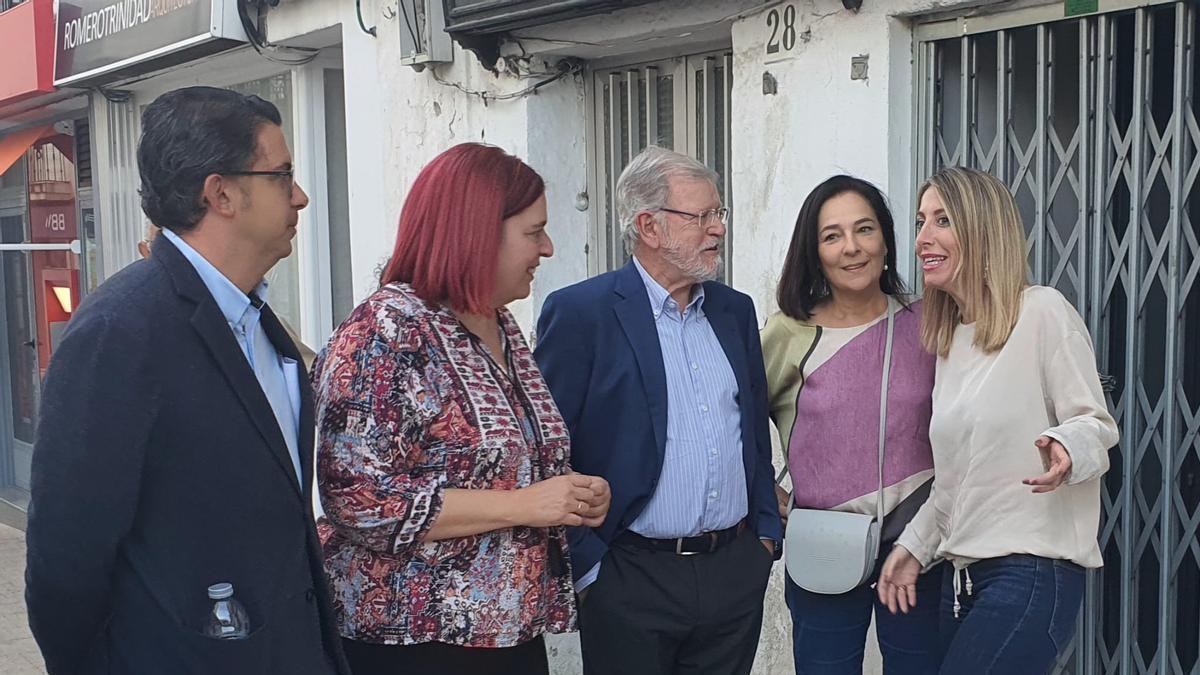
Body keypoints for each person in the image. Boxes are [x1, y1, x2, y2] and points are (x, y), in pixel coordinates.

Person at [25, 86, 349, 675]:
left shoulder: (257, 322)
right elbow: (65, 565)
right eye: (282, 175)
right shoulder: (119, 333)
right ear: (220, 193)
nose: (300, 196)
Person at [313, 142, 610, 675]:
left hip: (508, 630)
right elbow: (357, 499)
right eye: (532, 231)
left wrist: (571, 493)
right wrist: (526, 505)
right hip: (413, 641)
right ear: (475, 234)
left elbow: (504, 464)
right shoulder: (384, 334)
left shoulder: (499, 323)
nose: (547, 248)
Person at [535, 146, 782, 675]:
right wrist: (589, 567)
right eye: (702, 216)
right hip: (629, 574)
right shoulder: (582, 314)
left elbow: (754, 434)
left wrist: (763, 537)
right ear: (648, 226)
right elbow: (546, 449)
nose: (717, 229)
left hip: (733, 569)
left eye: (720, 214)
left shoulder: (734, 312)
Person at [877, 166, 1119, 673]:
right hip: (964, 578)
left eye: (943, 220)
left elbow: (1096, 425)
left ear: (984, 229)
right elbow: (956, 483)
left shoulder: (1042, 312)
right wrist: (913, 549)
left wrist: (1066, 447)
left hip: (1031, 572)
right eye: (921, 221)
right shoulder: (950, 343)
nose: (923, 238)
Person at [763, 175, 941, 674]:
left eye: (864, 229)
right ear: (814, 250)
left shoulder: (928, 322)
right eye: (832, 235)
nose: (851, 248)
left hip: (917, 547)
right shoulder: (789, 331)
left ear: (885, 238)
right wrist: (760, 487)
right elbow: (732, 419)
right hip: (823, 544)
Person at [140, 222, 317, 369]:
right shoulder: (138, 333)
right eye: (170, 247)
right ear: (145, 251)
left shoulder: (262, 324)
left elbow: (314, 379)